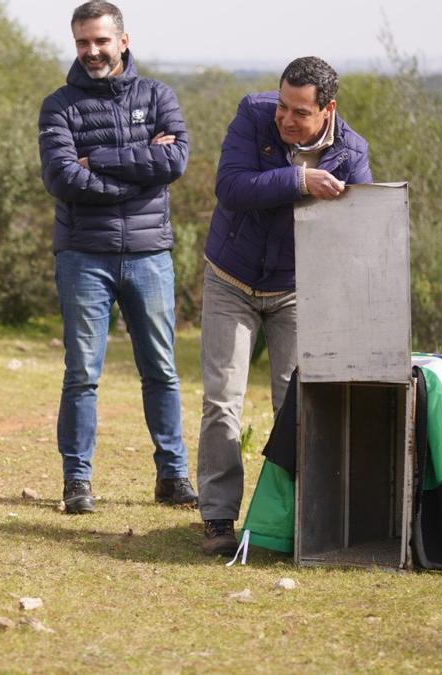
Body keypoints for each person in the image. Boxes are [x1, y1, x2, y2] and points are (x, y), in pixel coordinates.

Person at [197, 56, 372, 554]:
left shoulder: (352, 154)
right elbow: (230, 187)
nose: (286, 119)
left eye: (299, 112)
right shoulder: (253, 116)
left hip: (298, 290)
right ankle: (217, 519)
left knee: (295, 406)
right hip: (231, 279)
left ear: (327, 110)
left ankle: (294, 522)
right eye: (282, 106)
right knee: (222, 400)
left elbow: (354, 236)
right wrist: (299, 182)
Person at [38, 1, 196, 514]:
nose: (92, 51)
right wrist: (137, 180)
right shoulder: (58, 106)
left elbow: (174, 160)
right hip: (84, 254)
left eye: (101, 41)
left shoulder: (158, 95)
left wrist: (101, 160)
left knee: (162, 370)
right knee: (82, 373)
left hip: (150, 255)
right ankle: (77, 482)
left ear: (123, 41)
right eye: (83, 42)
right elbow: (62, 178)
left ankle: (173, 477)